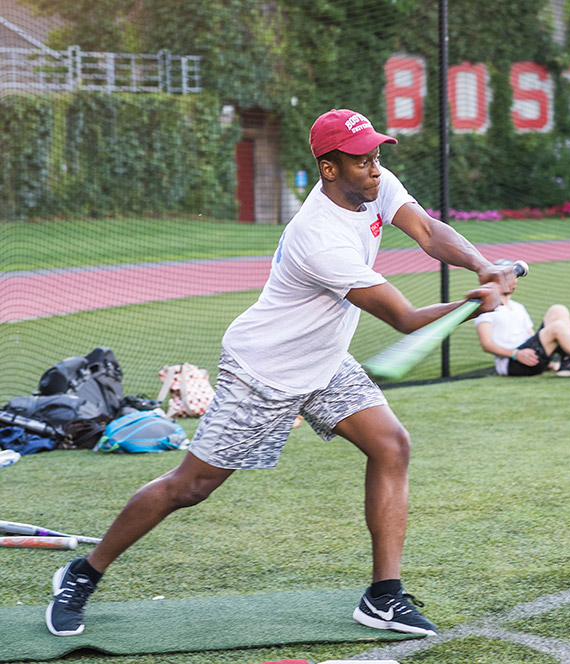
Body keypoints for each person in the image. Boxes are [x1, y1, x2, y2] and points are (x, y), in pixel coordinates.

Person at [45, 109, 518, 639]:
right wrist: (477, 305)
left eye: (376, 156)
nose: (374, 169)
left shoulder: (373, 186)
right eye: (361, 160)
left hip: (324, 361)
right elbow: (405, 319)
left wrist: (482, 266)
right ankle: (81, 574)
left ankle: (383, 596)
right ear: (328, 167)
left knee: (391, 445)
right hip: (265, 369)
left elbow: (429, 232)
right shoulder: (318, 237)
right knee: (191, 486)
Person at [474, 270, 570, 378]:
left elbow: (531, 335)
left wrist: (547, 357)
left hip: (532, 354)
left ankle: (568, 362)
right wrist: (515, 354)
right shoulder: (486, 309)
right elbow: (486, 344)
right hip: (513, 363)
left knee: (558, 310)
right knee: (556, 328)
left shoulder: (517, 306)